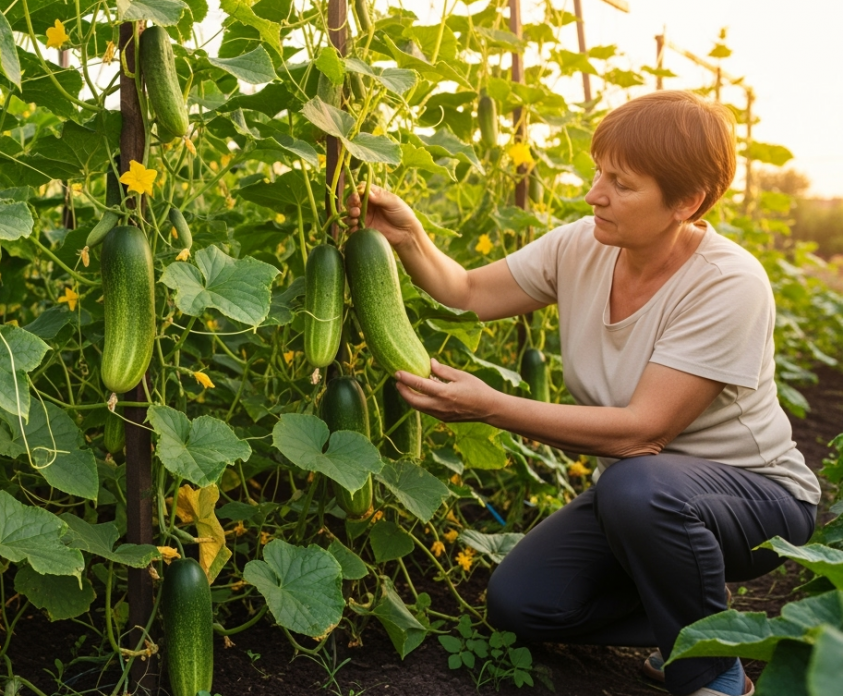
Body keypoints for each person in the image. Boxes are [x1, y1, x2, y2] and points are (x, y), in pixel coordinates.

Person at [350, 90, 818, 696]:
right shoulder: (583, 245)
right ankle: (697, 613)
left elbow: (644, 433)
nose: (595, 194)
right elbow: (468, 290)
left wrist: (489, 406)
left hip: (757, 502)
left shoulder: (729, 284)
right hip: (648, 500)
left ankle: (711, 668)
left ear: (688, 202)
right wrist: (408, 237)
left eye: (621, 184)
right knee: (521, 605)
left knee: (634, 483)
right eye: (599, 172)